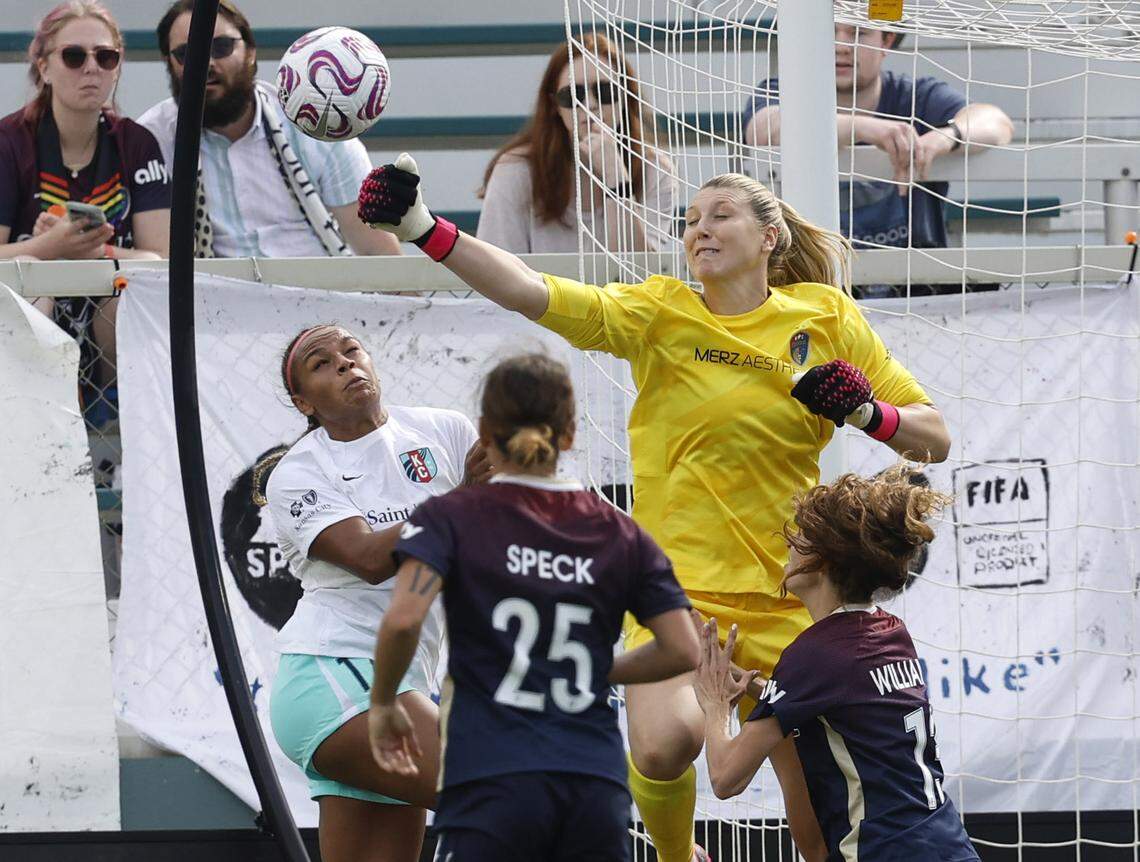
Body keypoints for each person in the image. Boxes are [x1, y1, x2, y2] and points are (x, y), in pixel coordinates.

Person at [359, 154, 952, 862]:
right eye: (690, 220)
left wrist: (866, 411)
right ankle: (676, 857)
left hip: (792, 602)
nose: (699, 229)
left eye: (719, 216)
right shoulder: (659, 312)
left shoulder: (824, 317)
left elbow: (934, 437)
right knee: (669, 742)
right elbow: (528, 290)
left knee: (817, 836)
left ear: (770, 239)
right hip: (679, 597)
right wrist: (424, 227)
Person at [368, 353, 699, 861]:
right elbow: (681, 649)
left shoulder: (449, 516)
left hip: (492, 777)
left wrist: (385, 703)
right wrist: (599, 670)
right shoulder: (619, 531)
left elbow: (404, 618)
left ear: (484, 431)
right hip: (593, 779)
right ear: (569, 434)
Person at [261, 324, 490, 862]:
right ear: (304, 403)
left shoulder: (443, 430)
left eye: (351, 350)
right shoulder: (297, 472)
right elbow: (368, 558)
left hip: (404, 680)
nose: (344, 364)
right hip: (336, 677)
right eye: (321, 364)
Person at [693, 466, 980, 861]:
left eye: (798, 539)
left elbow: (725, 778)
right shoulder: (891, 632)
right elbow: (842, 702)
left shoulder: (814, 654)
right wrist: (761, 689)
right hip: (949, 846)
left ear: (822, 562)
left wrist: (713, 704)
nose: (788, 548)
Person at [0, 0, 170, 419]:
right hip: (32, 327)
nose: (91, 67)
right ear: (44, 67)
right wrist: (47, 248)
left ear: (117, 66)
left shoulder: (137, 143)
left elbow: (160, 260)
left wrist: (97, 254)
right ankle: (32, 420)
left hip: (109, 341)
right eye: (74, 56)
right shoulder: (8, 142)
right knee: (33, 287)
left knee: (126, 292)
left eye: (105, 56)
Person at [140, 0, 400, 259]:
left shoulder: (311, 121)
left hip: (319, 292)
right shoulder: (151, 139)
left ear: (250, 51)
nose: (206, 63)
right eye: (187, 53)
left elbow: (374, 248)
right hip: (213, 297)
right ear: (169, 63)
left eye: (221, 47)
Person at [743, 24, 1013, 259]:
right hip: (815, 289)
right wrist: (861, 127)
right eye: (828, 32)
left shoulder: (916, 97)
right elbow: (761, 129)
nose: (842, 46)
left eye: (858, 32)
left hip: (914, 290)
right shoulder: (783, 90)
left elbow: (997, 122)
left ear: (887, 41)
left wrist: (945, 137)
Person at [477, 32, 676, 253]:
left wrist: (615, 179)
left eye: (605, 91)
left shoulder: (655, 169)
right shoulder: (517, 169)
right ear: (554, 106)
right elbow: (496, 267)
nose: (589, 105)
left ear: (626, 96)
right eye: (572, 95)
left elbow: (639, 274)